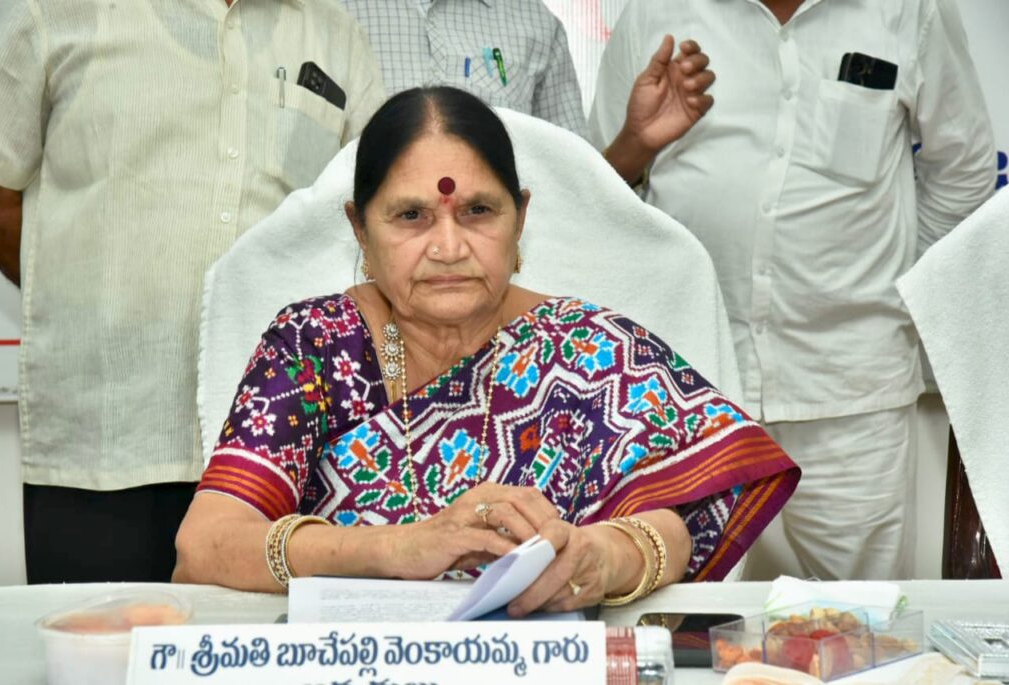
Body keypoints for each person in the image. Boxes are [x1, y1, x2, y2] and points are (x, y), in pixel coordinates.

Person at [173, 87, 800, 609]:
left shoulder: (588, 348)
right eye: (411, 216)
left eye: (477, 211)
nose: (449, 247)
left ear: (520, 219)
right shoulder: (313, 346)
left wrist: (604, 557)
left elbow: (680, 522)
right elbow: (205, 545)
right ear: (360, 229)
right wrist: (402, 549)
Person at [590, 0, 996, 580]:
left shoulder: (909, 9)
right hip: (688, 383)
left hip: (851, 386)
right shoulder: (658, 12)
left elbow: (963, 172)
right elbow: (598, 197)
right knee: (674, 605)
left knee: (862, 618)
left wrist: (896, 291)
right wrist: (636, 143)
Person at [0, 0, 385, 583]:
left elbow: (377, 208)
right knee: (95, 642)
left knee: (261, 645)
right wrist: (87, 296)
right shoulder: (47, 9)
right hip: (105, 442)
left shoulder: (333, 31)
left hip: (284, 449)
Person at [338, 0, 717, 184]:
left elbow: (574, 189)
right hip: (351, 286)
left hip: (498, 294)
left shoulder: (535, 23)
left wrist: (637, 141)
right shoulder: (326, 13)